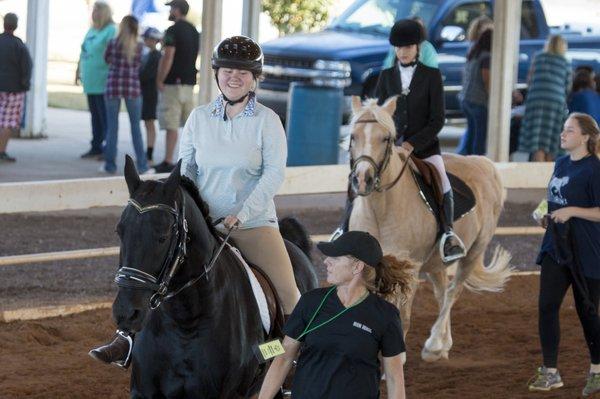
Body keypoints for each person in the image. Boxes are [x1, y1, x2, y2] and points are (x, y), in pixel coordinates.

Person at [89, 36, 300, 367]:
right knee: (153, 273)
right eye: (228, 70)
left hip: (253, 224)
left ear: (254, 77)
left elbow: (272, 176)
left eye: (243, 72)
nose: (234, 77)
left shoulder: (268, 121)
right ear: (216, 73)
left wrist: (240, 215)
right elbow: (186, 172)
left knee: (291, 298)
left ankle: (280, 361)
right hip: (200, 224)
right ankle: (129, 340)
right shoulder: (199, 118)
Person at [259, 231, 410, 399]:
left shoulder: (385, 315)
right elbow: (284, 356)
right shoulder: (311, 302)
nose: (326, 261)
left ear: (357, 267)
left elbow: (394, 378)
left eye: (336, 258)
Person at [375, 19, 466, 262]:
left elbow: (438, 120)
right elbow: (379, 115)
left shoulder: (432, 76)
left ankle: (447, 234)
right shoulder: (385, 76)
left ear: (418, 48)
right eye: (399, 48)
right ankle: (345, 226)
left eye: (408, 47)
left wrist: (411, 143)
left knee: (442, 179)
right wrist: (392, 143)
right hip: (391, 149)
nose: (403, 52)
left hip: (424, 149)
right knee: (364, 173)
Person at [527, 113, 600, 396]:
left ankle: (596, 369)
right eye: (564, 130)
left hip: (587, 252)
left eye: (569, 130)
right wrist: (543, 212)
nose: (563, 134)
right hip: (555, 247)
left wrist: (571, 212)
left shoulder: (595, 170)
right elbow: (555, 197)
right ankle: (550, 371)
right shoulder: (560, 163)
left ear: (585, 137)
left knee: (588, 313)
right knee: (547, 306)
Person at [153, 0, 200, 173]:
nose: (170, 11)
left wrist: (160, 79)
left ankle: (168, 160)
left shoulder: (172, 31)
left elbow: (168, 56)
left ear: (178, 10)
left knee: (171, 123)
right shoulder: (194, 31)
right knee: (189, 125)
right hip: (189, 83)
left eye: (171, 8)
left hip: (173, 84)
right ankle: (192, 161)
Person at [100, 16, 148, 174]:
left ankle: (110, 165)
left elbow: (106, 59)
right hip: (132, 87)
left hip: (113, 86)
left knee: (112, 127)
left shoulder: (113, 43)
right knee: (135, 127)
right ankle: (142, 165)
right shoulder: (140, 46)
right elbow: (141, 64)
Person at [518, 35, 571, 162]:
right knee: (552, 140)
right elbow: (567, 86)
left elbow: (529, 80)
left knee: (537, 140)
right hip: (555, 102)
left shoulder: (538, 57)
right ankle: (548, 173)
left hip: (536, 101)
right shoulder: (565, 62)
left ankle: (538, 171)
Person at [76, 1, 116, 160]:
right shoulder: (91, 30)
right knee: (95, 116)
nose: (94, 13)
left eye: (97, 10)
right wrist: (78, 70)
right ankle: (96, 146)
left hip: (103, 81)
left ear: (105, 12)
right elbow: (83, 51)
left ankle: (108, 148)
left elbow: (113, 54)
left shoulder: (111, 30)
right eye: (93, 10)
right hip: (90, 81)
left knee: (104, 117)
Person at [0, 12, 32, 163]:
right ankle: (2, 151)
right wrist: (25, 84)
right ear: (16, 25)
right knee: (8, 122)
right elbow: (27, 66)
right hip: (13, 90)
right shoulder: (19, 45)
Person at [456, 28, 492, 155]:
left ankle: (465, 158)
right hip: (478, 101)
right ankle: (477, 160)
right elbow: (487, 81)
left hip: (465, 99)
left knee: (471, 132)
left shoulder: (473, 54)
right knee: (480, 136)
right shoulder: (487, 57)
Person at [139, 27, 162, 165]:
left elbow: (146, 75)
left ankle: (149, 155)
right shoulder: (148, 55)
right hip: (146, 93)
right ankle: (147, 154)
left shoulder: (156, 56)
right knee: (148, 124)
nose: (145, 40)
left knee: (149, 123)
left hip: (151, 94)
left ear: (154, 40)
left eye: (148, 38)